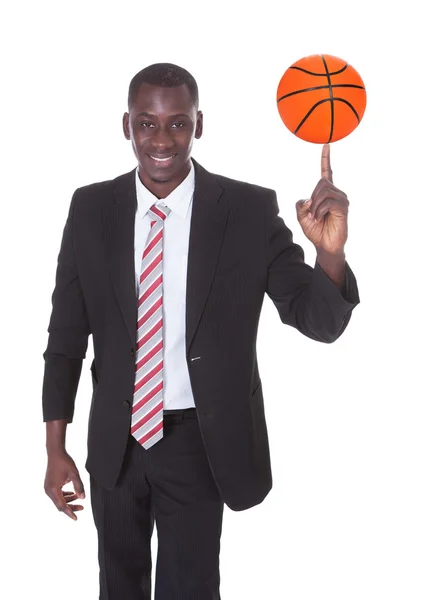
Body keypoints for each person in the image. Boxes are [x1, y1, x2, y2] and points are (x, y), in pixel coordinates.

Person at [42, 62, 360, 599]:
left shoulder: (248, 211)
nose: (161, 139)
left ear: (199, 125)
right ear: (127, 126)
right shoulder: (91, 208)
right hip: (115, 443)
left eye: (178, 124)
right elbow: (66, 337)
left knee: (189, 590)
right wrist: (55, 447)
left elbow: (319, 322)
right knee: (117, 587)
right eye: (147, 124)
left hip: (198, 442)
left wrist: (329, 252)